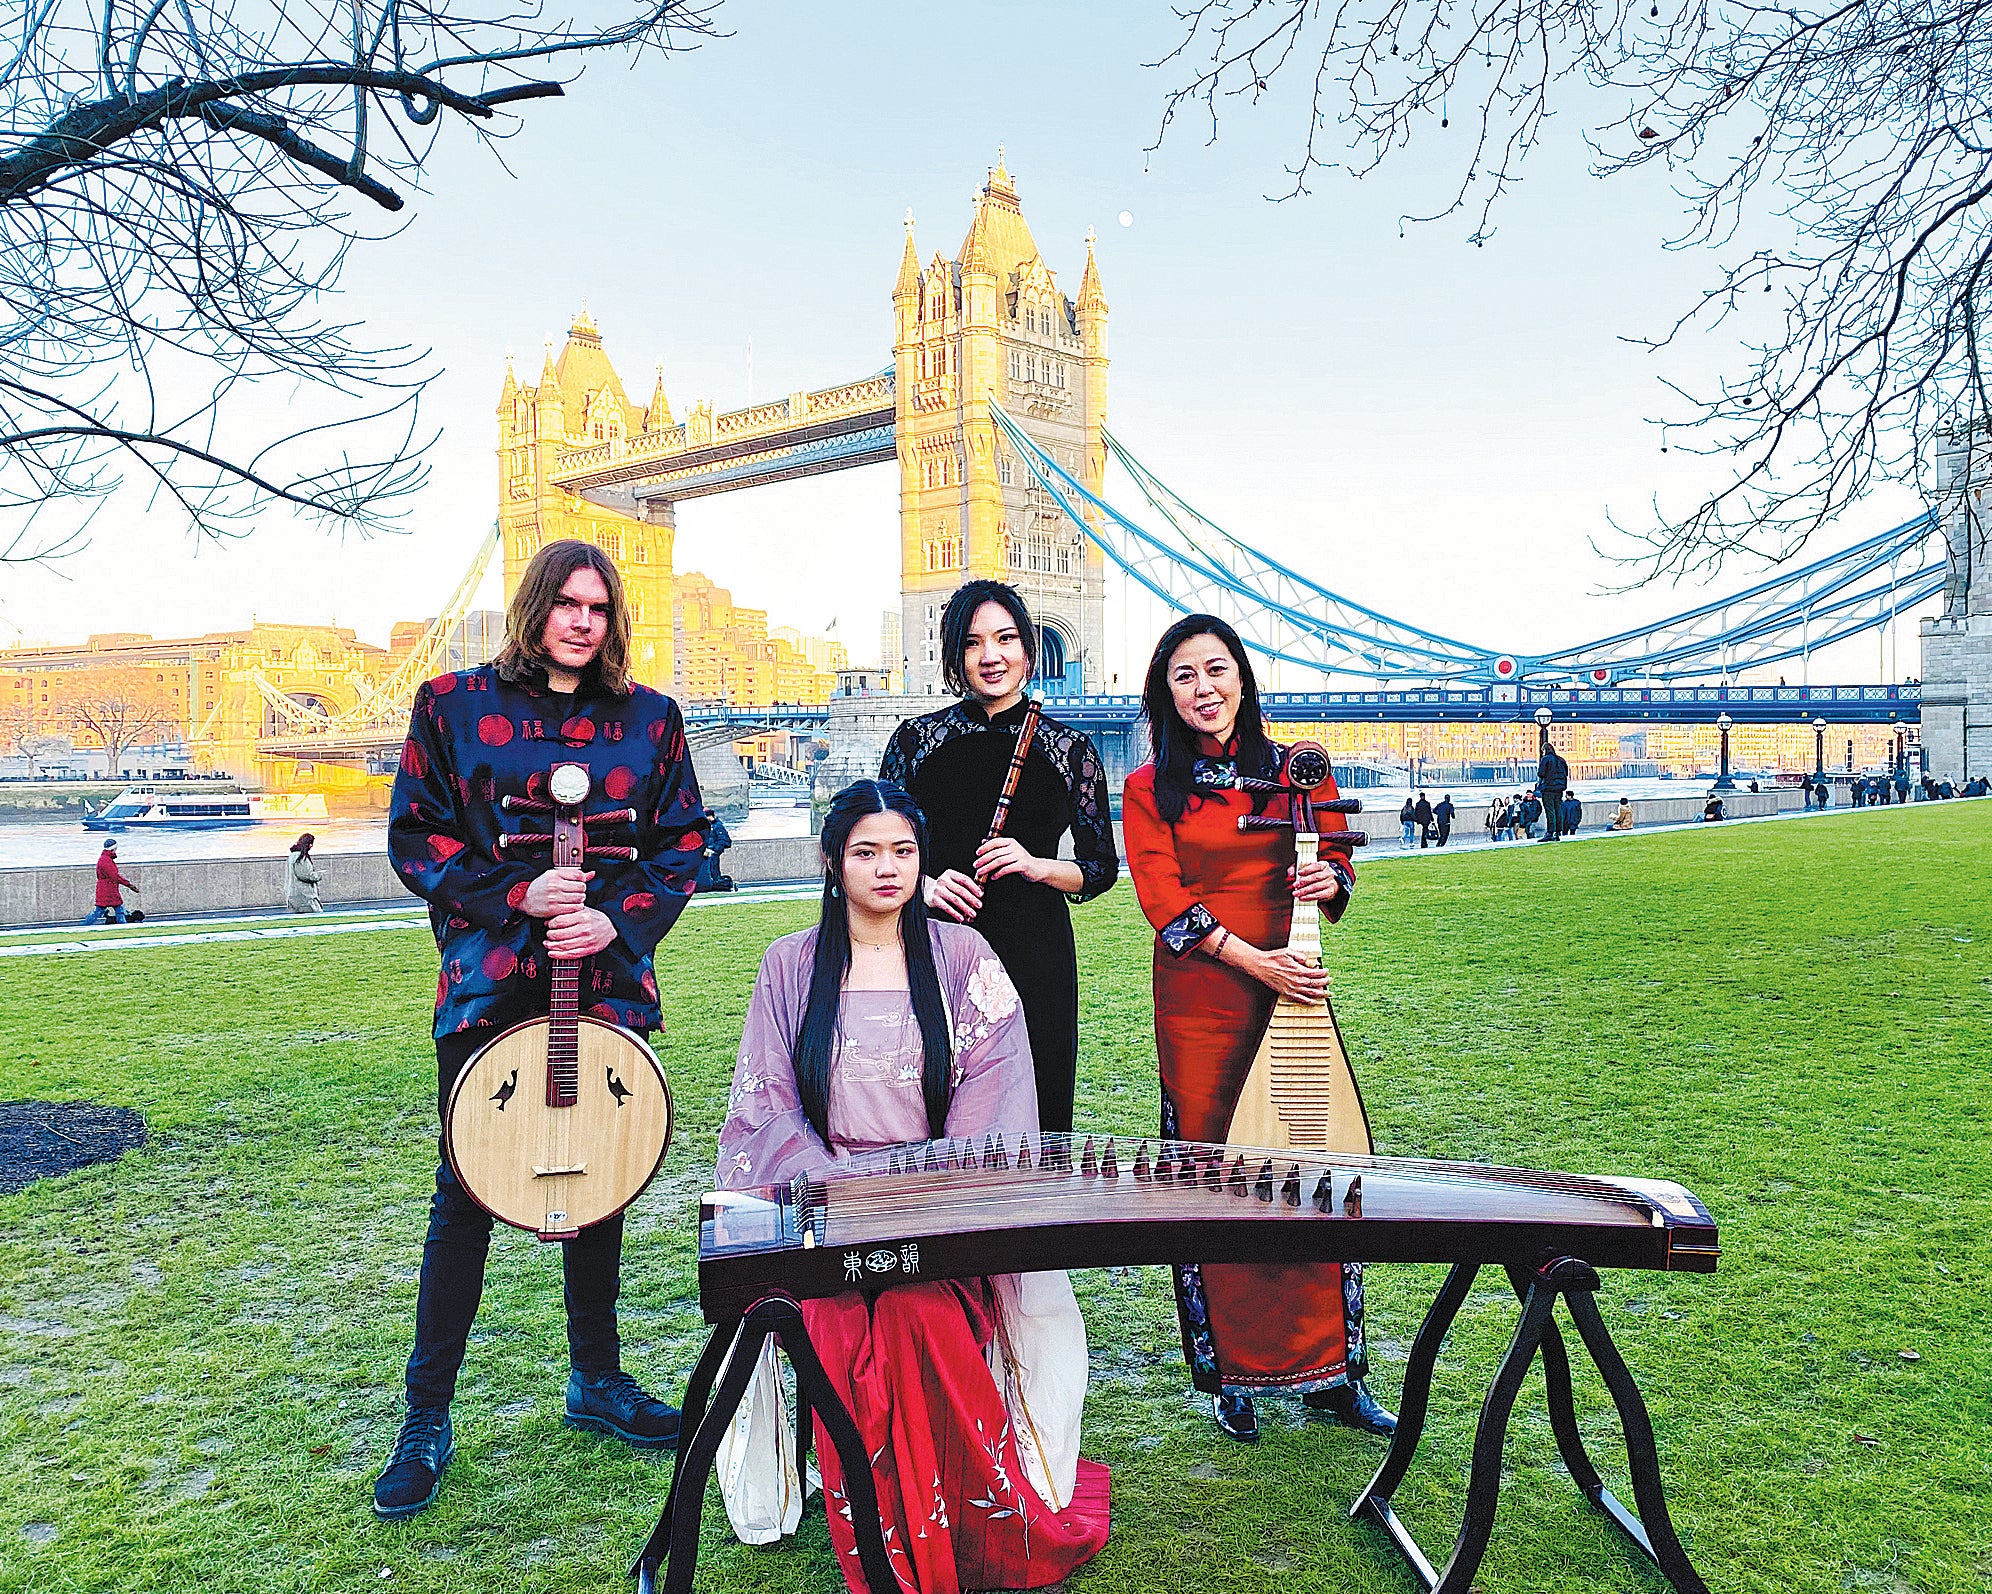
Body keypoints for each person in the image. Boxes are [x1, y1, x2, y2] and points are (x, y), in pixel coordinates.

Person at [374, 538, 709, 1520]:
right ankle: (426, 1416)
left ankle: (595, 1380)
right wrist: (518, 889)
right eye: (566, 603)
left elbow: (688, 837)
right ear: (534, 607)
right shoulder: (450, 704)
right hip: (488, 985)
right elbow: (416, 834)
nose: (581, 621)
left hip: (607, 984)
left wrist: (621, 914)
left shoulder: (650, 720)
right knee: (467, 1190)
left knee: (599, 1179)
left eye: (598, 609)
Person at [714, 780, 1111, 1592]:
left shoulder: (964, 957)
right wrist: (841, 1192)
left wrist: (923, 1199)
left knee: (916, 1314)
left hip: (939, 1209)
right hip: (827, 1211)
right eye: (866, 852)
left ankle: (948, 1517)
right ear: (833, 864)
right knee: (838, 1331)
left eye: (903, 851)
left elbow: (997, 1094)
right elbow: (766, 1105)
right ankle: (880, 1512)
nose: (886, 869)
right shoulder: (789, 964)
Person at [1121, 614, 1392, 1445]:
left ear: (1243, 677)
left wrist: (1327, 875)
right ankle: (1229, 1375)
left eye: (1217, 670)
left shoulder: (1298, 770)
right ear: (1165, 694)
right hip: (1203, 1005)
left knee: (1315, 1169)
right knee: (1215, 1178)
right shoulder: (1145, 788)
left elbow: (1341, 855)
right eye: (1184, 676)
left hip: (1295, 993)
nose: (1204, 689)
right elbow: (1162, 900)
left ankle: (1334, 1373)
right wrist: (1254, 959)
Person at [878, 580, 1117, 1135]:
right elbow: (877, 846)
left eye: (1006, 638)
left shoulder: (1070, 750)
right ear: (954, 656)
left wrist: (1034, 864)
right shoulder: (916, 740)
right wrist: (926, 886)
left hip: (1037, 952)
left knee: (1040, 1101)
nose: (991, 656)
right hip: (938, 946)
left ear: (1028, 649)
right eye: (972, 642)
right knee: (932, 1106)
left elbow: (1100, 868)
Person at [82, 839, 135, 924]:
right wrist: (129, 885)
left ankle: (85, 926)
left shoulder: (104, 859)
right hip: (109, 890)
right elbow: (115, 876)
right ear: (113, 849)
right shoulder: (106, 861)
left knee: (108, 910)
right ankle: (84, 926)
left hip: (106, 889)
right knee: (115, 910)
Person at [696, 810, 735, 892]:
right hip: (706, 852)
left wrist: (712, 849)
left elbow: (724, 841)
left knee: (713, 868)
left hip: (713, 852)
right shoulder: (706, 826)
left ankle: (716, 882)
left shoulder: (718, 826)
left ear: (711, 816)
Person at [1538, 741, 1570, 840]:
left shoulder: (1545, 759)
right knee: (1558, 810)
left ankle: (1550, 832)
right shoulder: (1561, 760)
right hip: (1559, 789)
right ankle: (1558, 832)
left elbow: (1541, 773)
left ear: (1545, 750)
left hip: (1548, 788)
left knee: (1550, 811)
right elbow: (1566, 773)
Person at [287, 832, 324, 913]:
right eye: (310, 843)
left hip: (294, 895)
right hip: (305, 896)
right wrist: (319, 875)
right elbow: (304, 875)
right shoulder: (299, 856)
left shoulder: (292, 856)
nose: (311, 846)